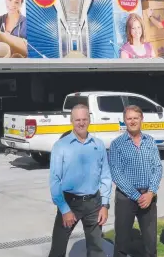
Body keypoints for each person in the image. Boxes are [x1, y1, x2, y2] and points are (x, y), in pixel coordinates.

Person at [48, 104, 112, 257]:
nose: (81, 123)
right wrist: (64, 209)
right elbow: (55, 180)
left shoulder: (98, 145)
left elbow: (105, 176)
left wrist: (105, 205)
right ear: (71, 121)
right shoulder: (61, 146)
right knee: (58, 248)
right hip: (70, 202)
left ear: (89, 120)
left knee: (96, 249)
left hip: (94, 203)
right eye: (77, 120)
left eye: (84, 119)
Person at [108, 105, 163, 257]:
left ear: (141, 119)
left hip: (149, 197)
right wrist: (137, 196)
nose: (132, 121)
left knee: (150, 242)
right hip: (126, 198)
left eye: (135, 118)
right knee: (122, 241)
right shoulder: (117, 144)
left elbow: (157, 168)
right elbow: (116, 174)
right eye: (129, 118)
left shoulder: (150, 141)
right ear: (124, 120)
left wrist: (151, 192)